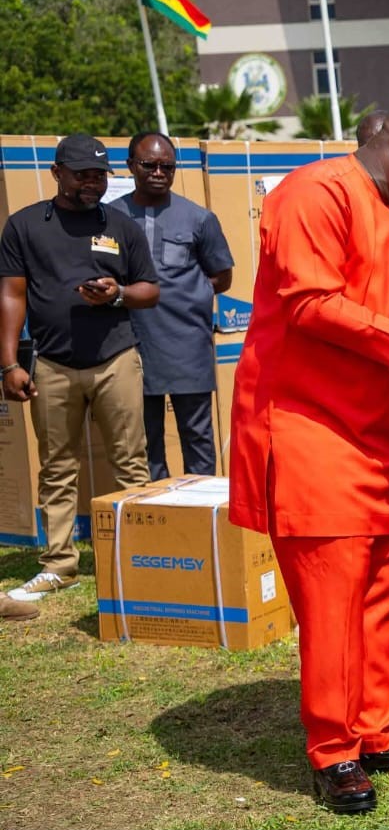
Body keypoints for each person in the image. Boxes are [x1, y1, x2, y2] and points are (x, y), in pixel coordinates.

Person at [227, 100, 389, 815]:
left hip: (379, 430)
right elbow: (310, 303)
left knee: (385, 586)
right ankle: (335, 751)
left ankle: (377, 730)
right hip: (309, 429)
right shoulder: (315, 193)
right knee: (333, 600)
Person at [1, 134, 158, 603]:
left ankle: (140, 558)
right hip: (51, 364)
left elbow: (150, 289)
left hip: (116, 359)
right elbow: (11, 294)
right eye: (82, 175)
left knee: (130, 462)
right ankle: (59, 566)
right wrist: (8, 364)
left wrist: (117, 294)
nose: (92, 183)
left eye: (100, 176)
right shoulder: (24, 225)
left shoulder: (121, 225)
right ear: (57, 173)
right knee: (57, 466)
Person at [109, 131, 234, 481]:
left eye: (167, 166)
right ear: (130, 165)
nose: (158, 173)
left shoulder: (198, 218)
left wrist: (187, 294)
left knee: (197, 435)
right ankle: (157, 507)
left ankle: (199, 506)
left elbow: (222, 277)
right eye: (149, 165)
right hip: (131, 345)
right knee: (145, 439)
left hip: (186, 345)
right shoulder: (110, 217)